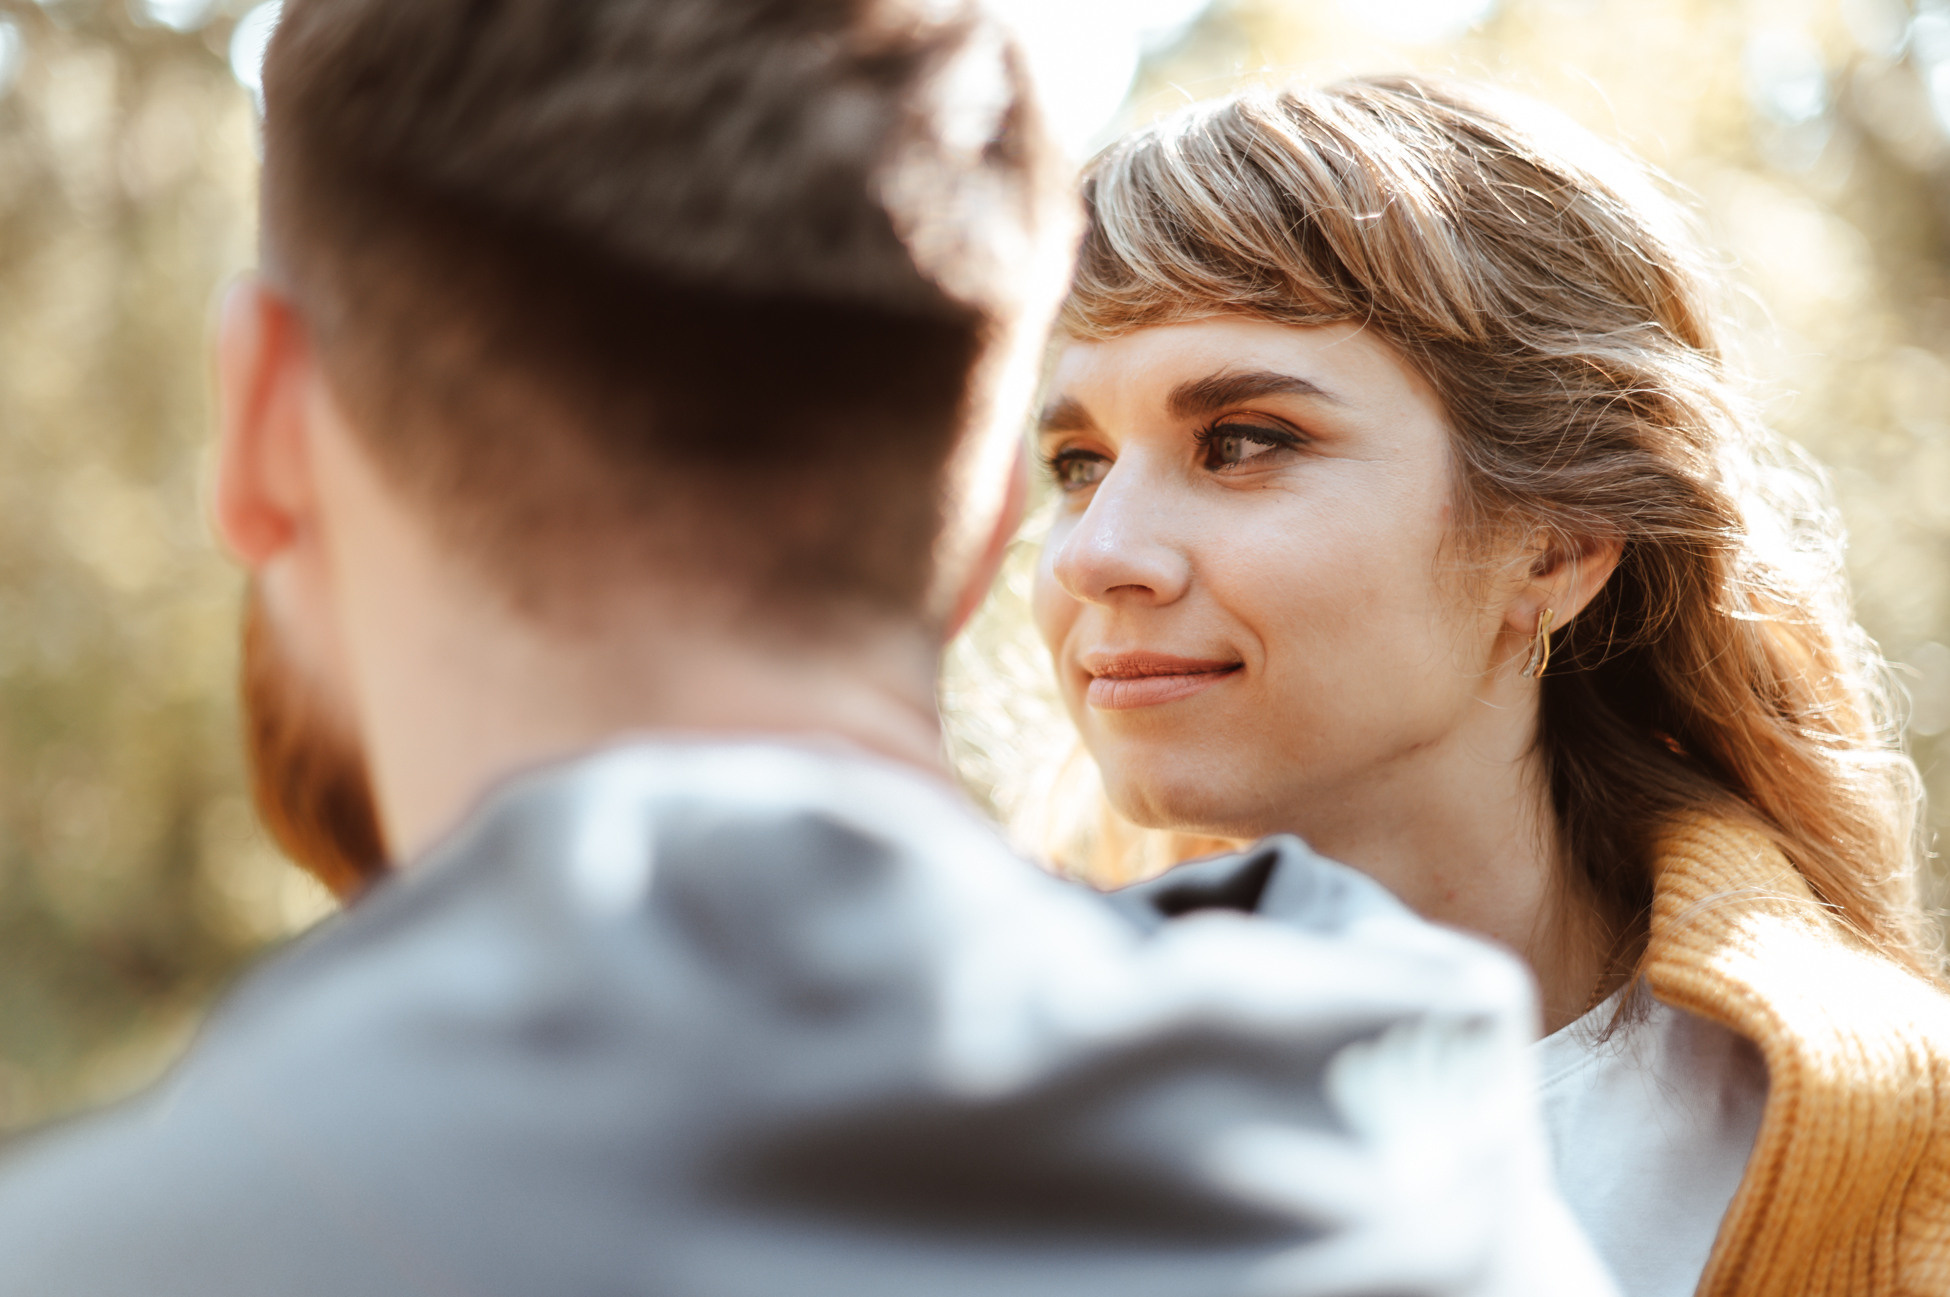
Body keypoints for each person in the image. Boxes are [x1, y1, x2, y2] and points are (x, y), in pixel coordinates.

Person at [0, 6, 1614, 1295]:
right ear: (994, 495)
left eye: (1249, 441)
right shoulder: (1419, 1156)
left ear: (267, 422)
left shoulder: (110, 1246)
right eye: (1072, 464)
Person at [1030, 73, 1950, 1297]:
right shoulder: (933, 1103)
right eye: (1077, 462)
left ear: (1556, 544)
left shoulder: (1888, 1146)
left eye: (1242, 440)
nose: (1097, 553)